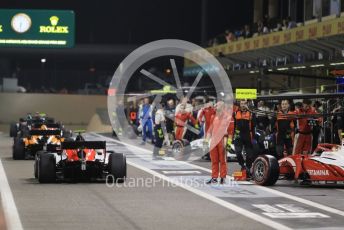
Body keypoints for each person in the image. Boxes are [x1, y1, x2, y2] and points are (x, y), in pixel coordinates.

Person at [206, 101, 232, 184]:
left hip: (222, 140)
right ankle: (214, 177)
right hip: (214, 140)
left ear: (222, 107)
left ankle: (223, 177)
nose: (215, 106)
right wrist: (206, 141)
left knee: (223, 160)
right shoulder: (213, 116)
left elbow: (230, 132)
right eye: (215, 105)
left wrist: (228, 144)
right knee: (214, 160)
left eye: (217, 105)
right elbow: (210, 130)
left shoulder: (228, 117)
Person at [233, 100, 256, 178]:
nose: (243, 105)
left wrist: (253, 137)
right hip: (238, 135)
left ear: (247, 104)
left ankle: (248, 168)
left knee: (249, 155)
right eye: (241, 104)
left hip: (248, 135)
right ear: (239, 104)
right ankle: (243, 166)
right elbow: (233, 125)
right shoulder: (235, 113)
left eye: (244, 104)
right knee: (238, 152)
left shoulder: (251, 113)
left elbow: (254, 125)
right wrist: (233, 135)